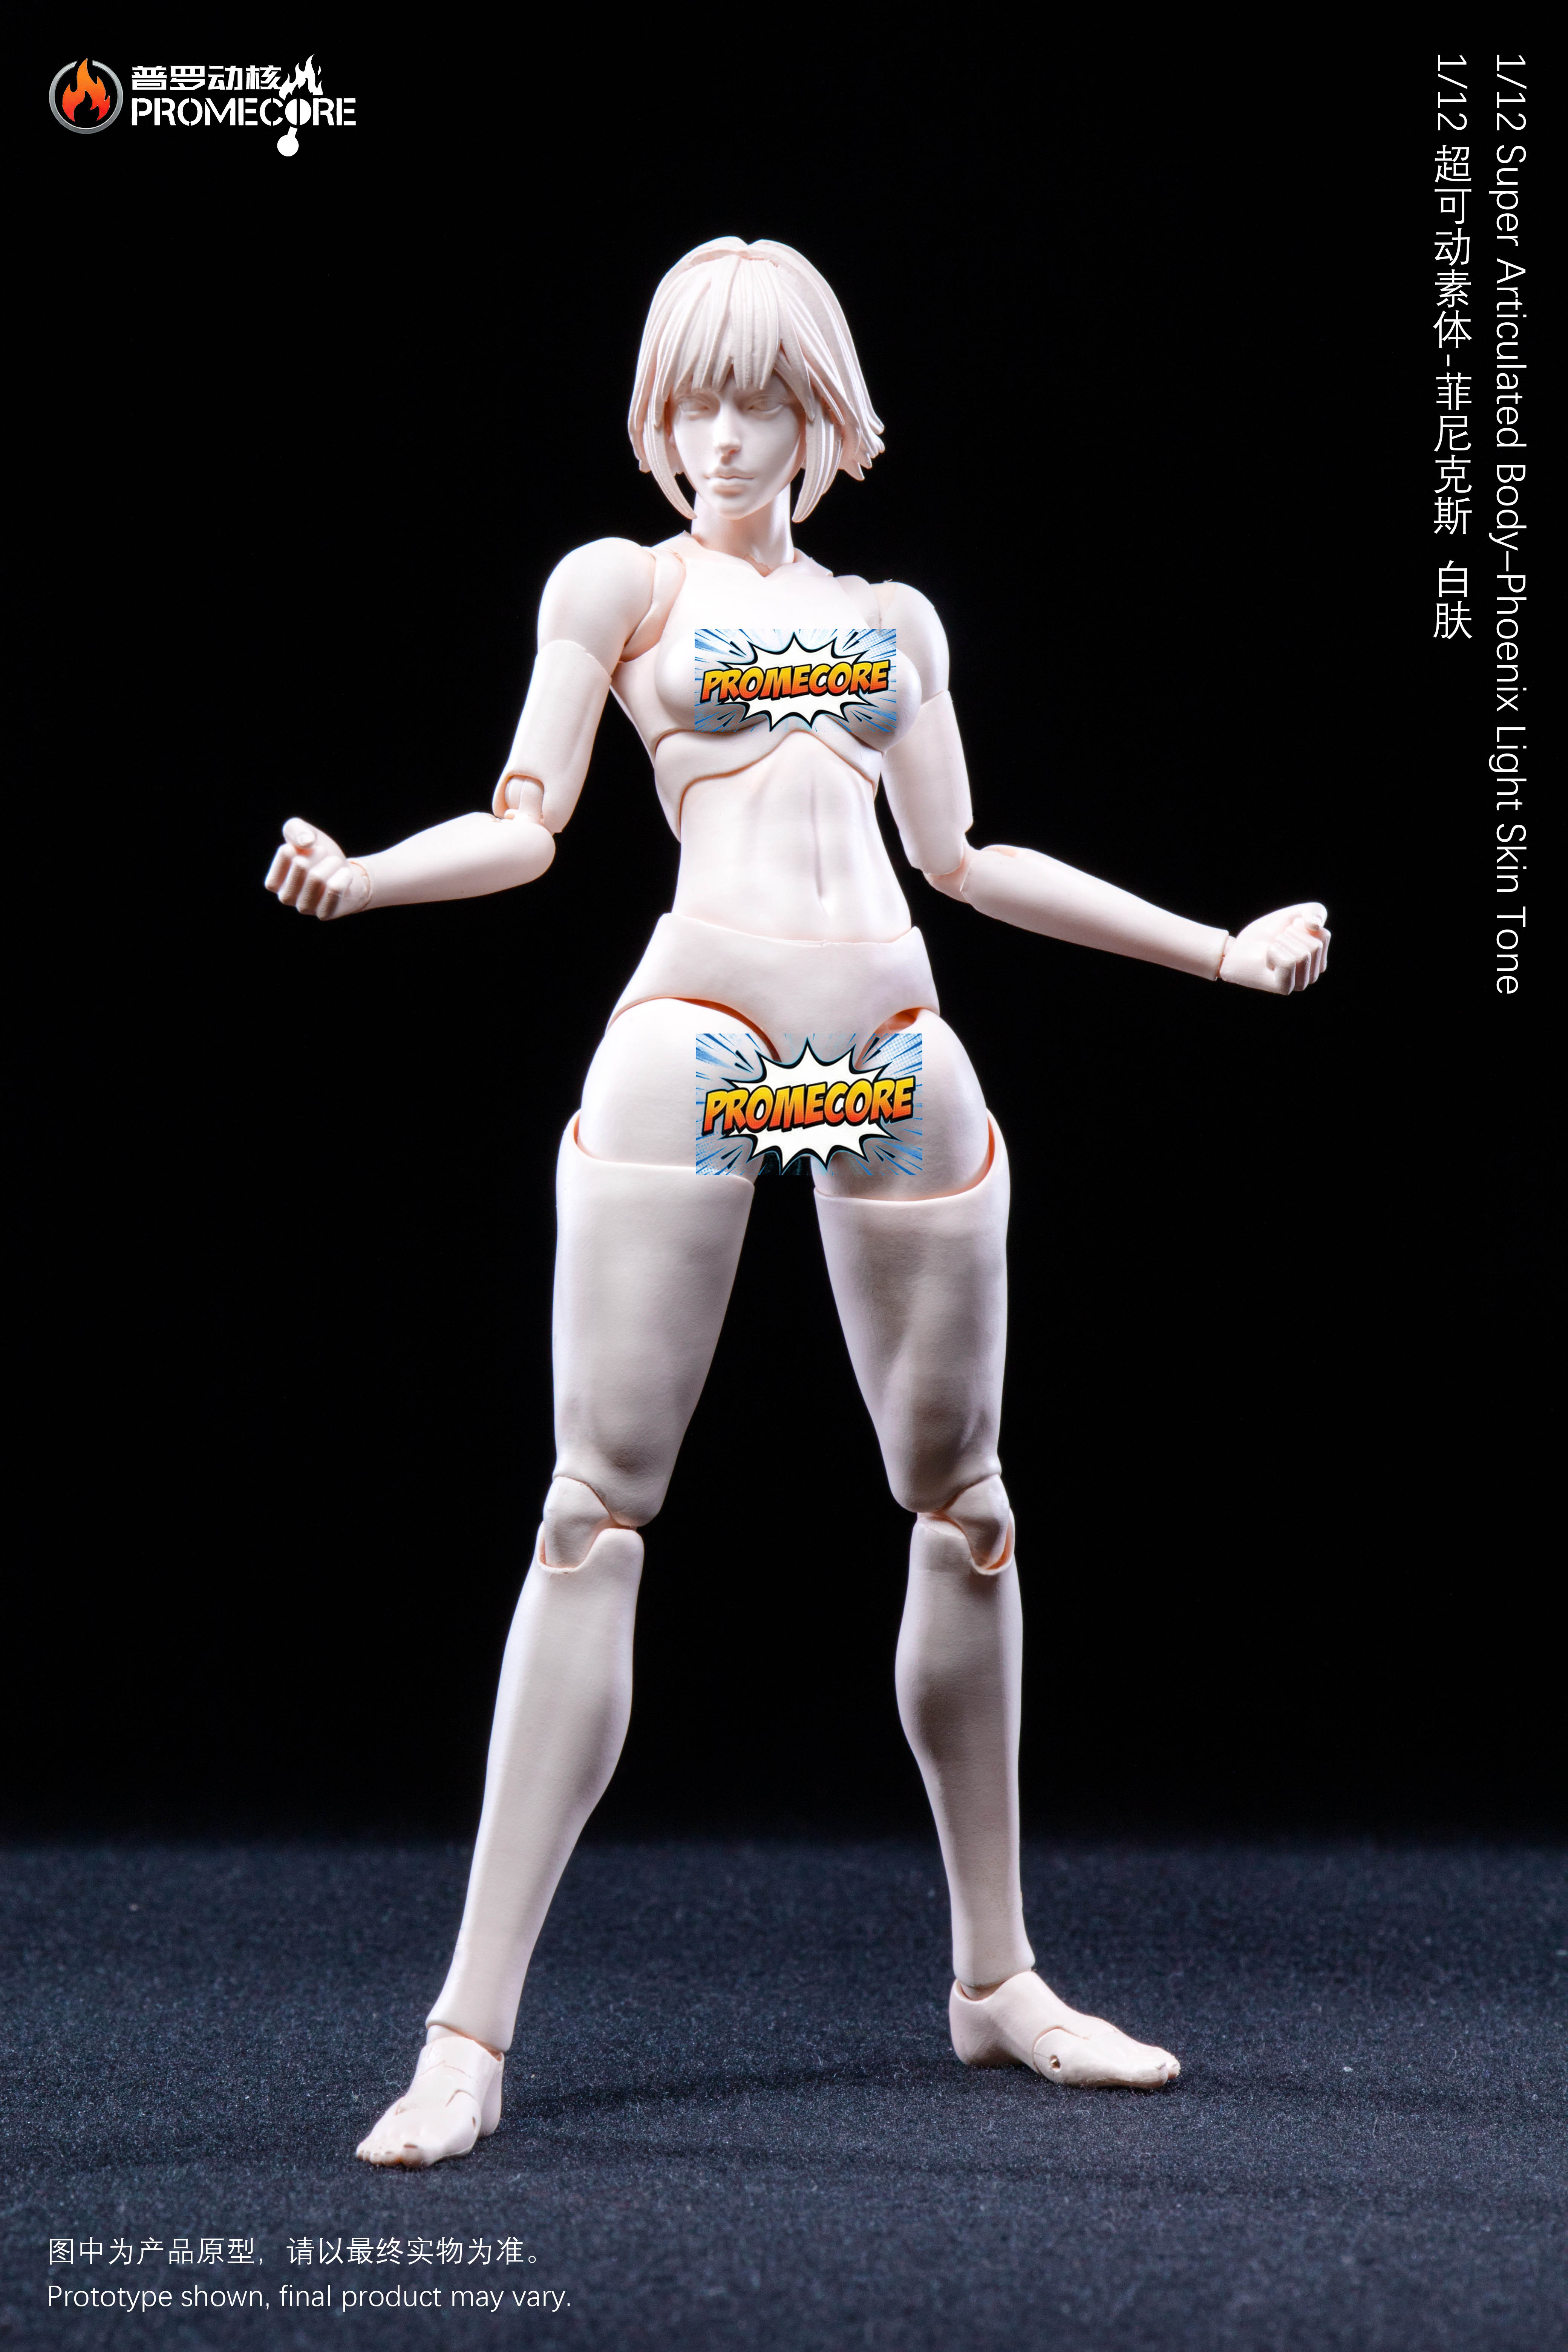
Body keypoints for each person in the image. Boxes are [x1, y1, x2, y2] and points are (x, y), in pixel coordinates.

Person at [266, 237, 1329, 2167]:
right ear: (657, 416)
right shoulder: (622, 587)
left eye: (762, 399)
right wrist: (369, 875)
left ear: (821, 418)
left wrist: (1213, 951)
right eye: (695, 399)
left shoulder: (891, 621)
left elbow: (969, 855)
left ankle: (995, 1980)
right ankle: (465, 2030)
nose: (726, 435)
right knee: (591, 1514)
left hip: (882, 1061)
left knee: (967, 1511)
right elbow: (523, 823)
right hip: (709, 1045)